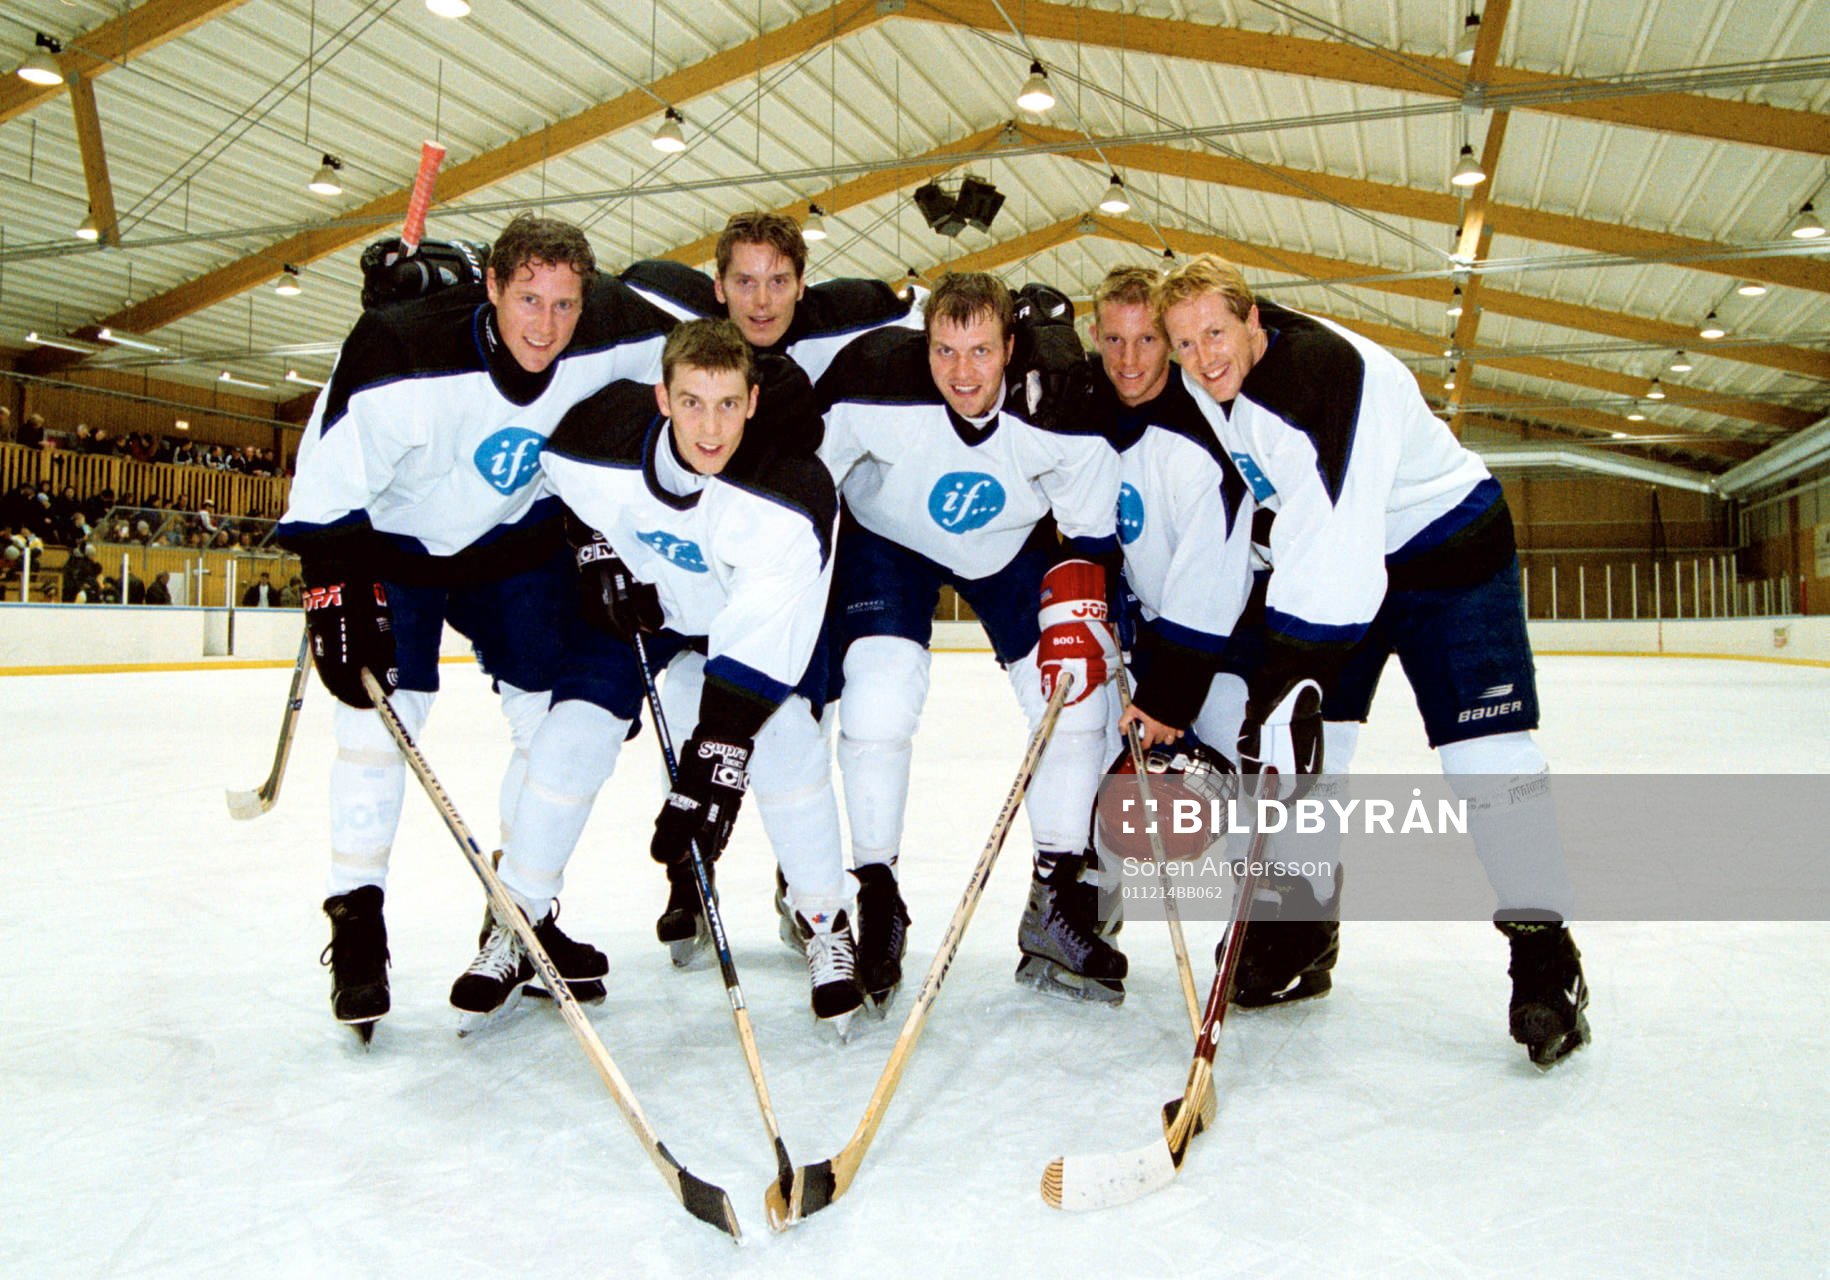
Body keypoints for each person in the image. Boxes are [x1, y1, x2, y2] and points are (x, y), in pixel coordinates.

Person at [1155, 253, 1589, 1069]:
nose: (1202, 355)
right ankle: (1300, 934)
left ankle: (1544, 955)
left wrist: (1284, 682)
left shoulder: (1316, 377)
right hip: (1348, 563)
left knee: (1483, 757)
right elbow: (1285, 510)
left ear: (1255, 323)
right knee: (1319, 759)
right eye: (1184, 342)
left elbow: (1337, 552)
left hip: (1448, 550)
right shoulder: (1213, 385)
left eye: (1215, 332)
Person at [274, 212, 675, 1040]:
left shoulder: (615, 329)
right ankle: (357, 922)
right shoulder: (399, 350)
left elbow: (725, 348)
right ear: (489, 288)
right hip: (392, 542)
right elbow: (324, 483)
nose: (546, 325)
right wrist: (332, 587)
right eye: (527, 299)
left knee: (549, 721)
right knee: (377, 723)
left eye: (565, 304)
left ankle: (519, 909)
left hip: (512, 543)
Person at [619, 211, 926, 994]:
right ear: (716, 287)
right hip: (704, 551)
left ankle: (808, 891)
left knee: (800, 717)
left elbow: (940, 318)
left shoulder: (845, 321)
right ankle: (691, 873)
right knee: (691, 708)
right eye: (744, 283)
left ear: (804, 284)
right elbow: (572, 309)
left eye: (780, 281)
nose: (761, 301)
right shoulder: (673, 319)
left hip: (799, 558)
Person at [530, 318, 858, 1032]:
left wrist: (717, 758)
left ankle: (827, 920)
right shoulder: (599, 442)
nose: (710, 427)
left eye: (728, 404)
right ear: (662, 398)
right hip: (664, 628)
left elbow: (762, 634)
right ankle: (521, 915)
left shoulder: (792, 492)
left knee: (787, 747)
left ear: (754, 402)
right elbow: (563, 486)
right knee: (570, 739)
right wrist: (594, 554)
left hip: (747, 639)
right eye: (692, 403)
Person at [816, 272, 1127, 1004]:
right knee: (878, 701)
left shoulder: (1063, 405)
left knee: (1078, 699)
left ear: (1010, 347)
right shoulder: (871, 382)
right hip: (887, 540)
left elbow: (1086, 532)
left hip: (1005, 547)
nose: (962, 373)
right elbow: (805, 487)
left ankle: (1055, 898)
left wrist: (1079, 613)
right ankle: (879, 894)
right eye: (945, 351)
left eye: (981, 351)